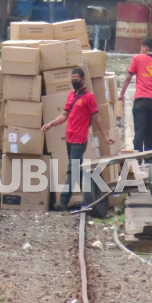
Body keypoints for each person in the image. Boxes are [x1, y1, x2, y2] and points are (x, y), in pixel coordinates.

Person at [42, 68, 114, 211]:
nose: (74, 82)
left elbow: (97, 118)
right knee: (78, 170)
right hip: (69, 139)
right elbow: (64, 115)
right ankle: (91, 199)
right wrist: (50, 124)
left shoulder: (89, 98)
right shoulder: (71, 95)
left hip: (79, 141)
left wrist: (105, 136)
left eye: (76, 80)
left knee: (73, 170)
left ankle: (63, 201)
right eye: (72, 79)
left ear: (82, 80)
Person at [118, 37, 152, 153]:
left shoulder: (137, 58)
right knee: (149, 131)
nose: (140, 50)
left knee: (139, 131)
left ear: (145, 48)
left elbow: (128, 77)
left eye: (141, 47)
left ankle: (137, 158)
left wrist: (121, 94)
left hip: (141, 100)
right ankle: (148, 158)